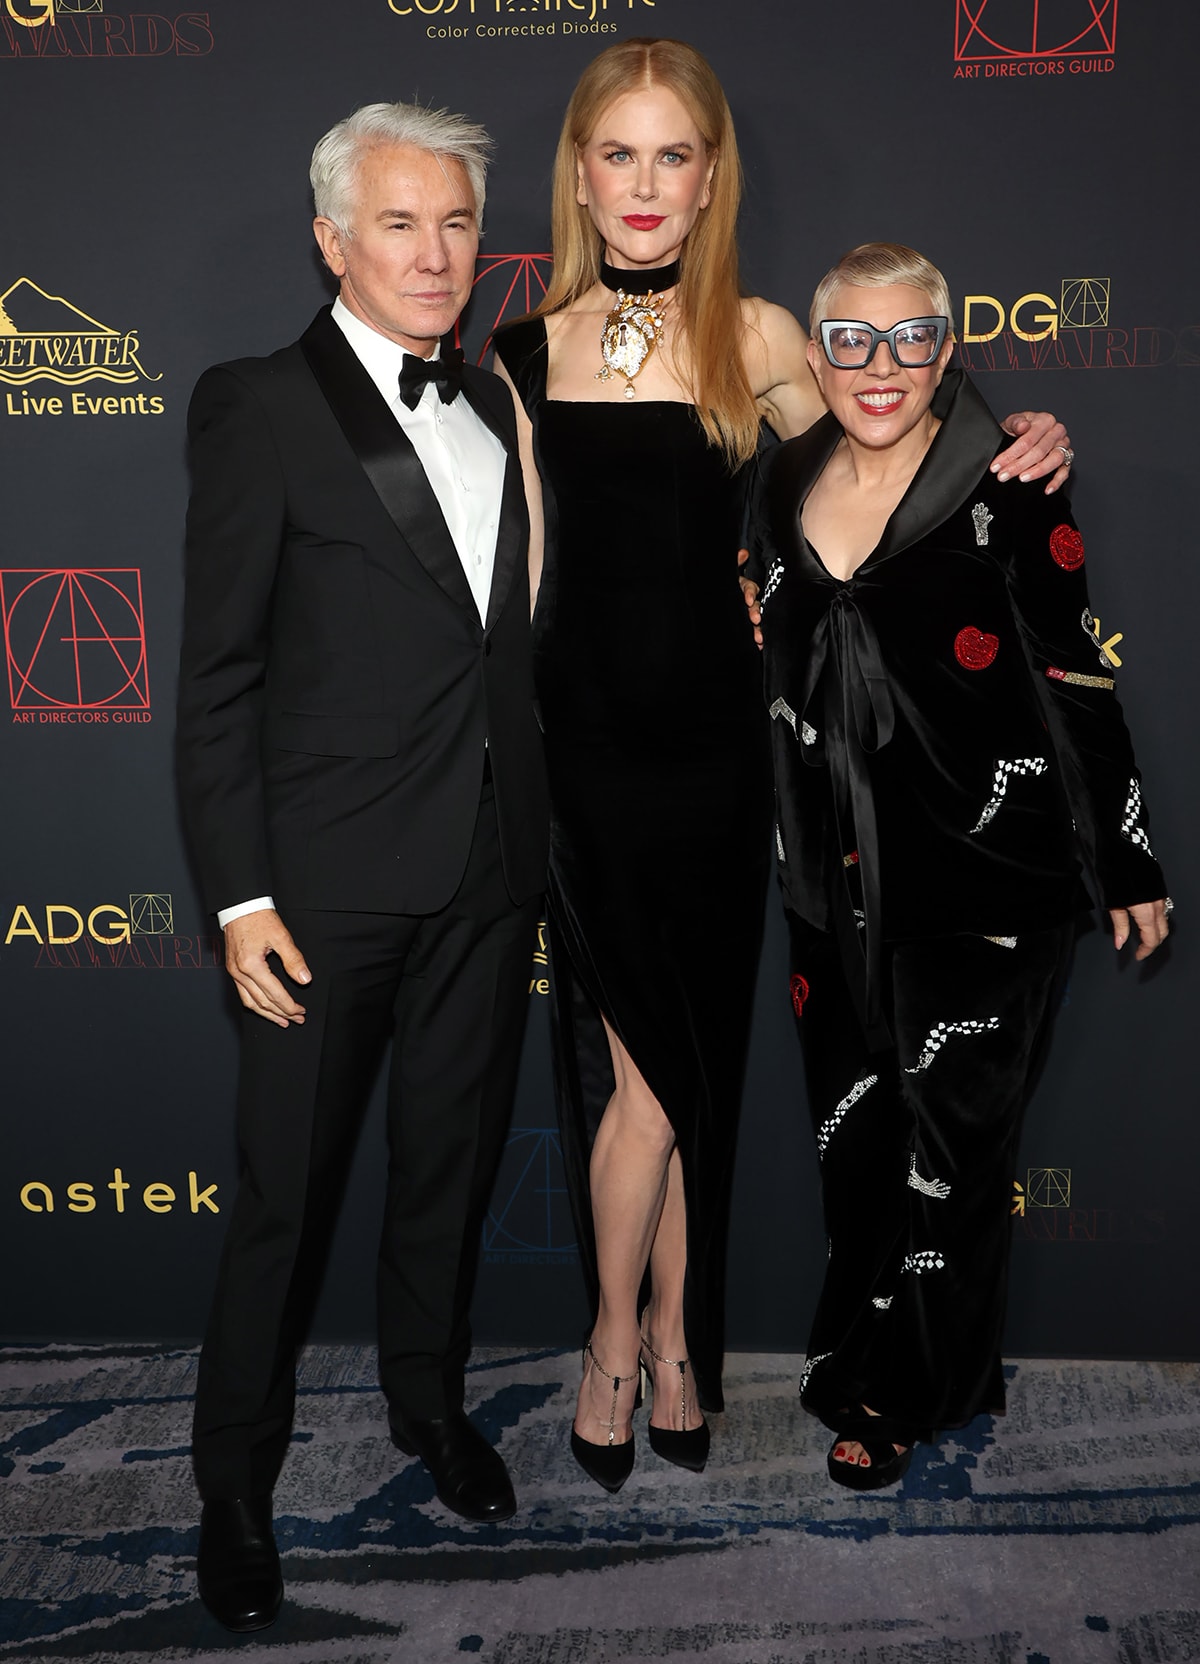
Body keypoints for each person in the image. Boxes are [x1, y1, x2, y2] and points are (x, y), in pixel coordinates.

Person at [492, 36, 1074, 1490]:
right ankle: (624, 1343)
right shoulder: (516, 355)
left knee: (679, 1077)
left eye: (671, 156)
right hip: (584, 765)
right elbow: (520, 583)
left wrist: (1016, 433)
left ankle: (672, 1343)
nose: (643, 183)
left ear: (707, 183)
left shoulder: (758, 339)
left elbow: (895, 453)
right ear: (578, 175)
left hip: (725, 760)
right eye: (616, 154)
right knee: (641, 1081)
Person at [175, 102, 548, 1630]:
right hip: (320, 887)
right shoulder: (256, 402)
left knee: (446, 1176)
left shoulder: (498, 400)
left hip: (488, 866)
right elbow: (217, 677)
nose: (436, 251)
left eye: (457, 221)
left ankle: (427, 1408)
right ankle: (232, 1489)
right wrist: (239, 893)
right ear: (332, 238)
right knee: (286, 1197)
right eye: (398, 222)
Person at [755, 241, 1168, 1489]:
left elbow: (1075, 675)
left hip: (990, 876)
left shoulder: (1008, 479)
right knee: (861, 1143)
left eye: (910, 340)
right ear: (817, 353)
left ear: (947, 348)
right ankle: (880, 1356)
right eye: (851, 341)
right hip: (832, 883)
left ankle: (899, 1395)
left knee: (956, 1153)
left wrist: (1129, 858)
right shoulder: (775, 482)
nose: (880, 368)